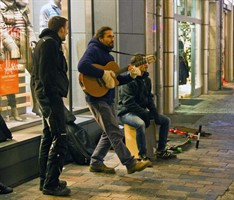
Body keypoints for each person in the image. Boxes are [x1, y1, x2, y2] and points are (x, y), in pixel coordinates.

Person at [77, 26, 151, 175]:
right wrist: (102, 73)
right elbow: (82, 66)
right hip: (97, 98)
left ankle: (96, 162)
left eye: (113, 36)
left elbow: (116, 80)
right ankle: (130, 163)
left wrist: (132, 76)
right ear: (100, 38)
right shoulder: (94, 50)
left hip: (107, 97)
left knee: (108, 132)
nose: (112, 39)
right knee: (114, 132)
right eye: (109, 36)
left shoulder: (109, 57)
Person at [32, 16, 70, 196]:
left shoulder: (44, 42)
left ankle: (45, 180)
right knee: (59, 137)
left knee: (48, 137)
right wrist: (51, 97)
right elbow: (46, 75)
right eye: (66, 28)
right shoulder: (49, 44)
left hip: (46, 97)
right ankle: (51, 183)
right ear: (60, 29)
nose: (67, 32)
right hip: (50, 98)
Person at [118, 53, 176, 162]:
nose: (146, 65)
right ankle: (142, 155)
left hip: (140, 112)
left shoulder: (146, 80)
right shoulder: (128, 81)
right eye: (143, 63)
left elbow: (149, 99)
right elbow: (129, 103)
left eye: (146, 63)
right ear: (136, 65)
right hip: (126, 113)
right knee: (140, 124)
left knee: (165, 120)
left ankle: (161, 150)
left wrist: (154, 113)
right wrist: (144, 114)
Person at [0, 0, 40, 119]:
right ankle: (13, 108)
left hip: (25, 46)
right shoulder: (1, 8)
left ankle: (37, 105)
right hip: (9, 47)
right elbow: (1, 29)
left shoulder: (22, 7)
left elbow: (29, 26)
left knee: (36, 75)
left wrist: (32, 40)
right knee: (10, 79)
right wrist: (12, 46)